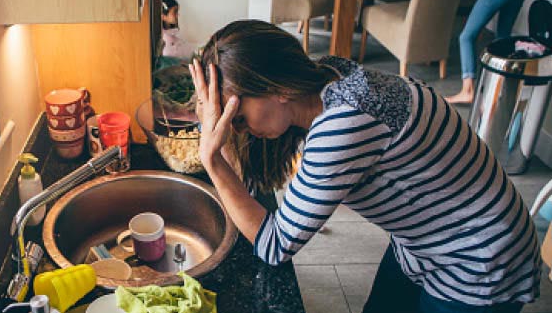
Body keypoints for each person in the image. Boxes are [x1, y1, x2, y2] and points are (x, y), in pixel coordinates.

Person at [189, 19, 540, 313]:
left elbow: (273, 244)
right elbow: (253, 187)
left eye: (236, 116)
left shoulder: (344, 125)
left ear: (278, 88)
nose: (236, 128)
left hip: (477, 256)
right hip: (422, 243)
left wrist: (212, 160)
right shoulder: (330, 75)